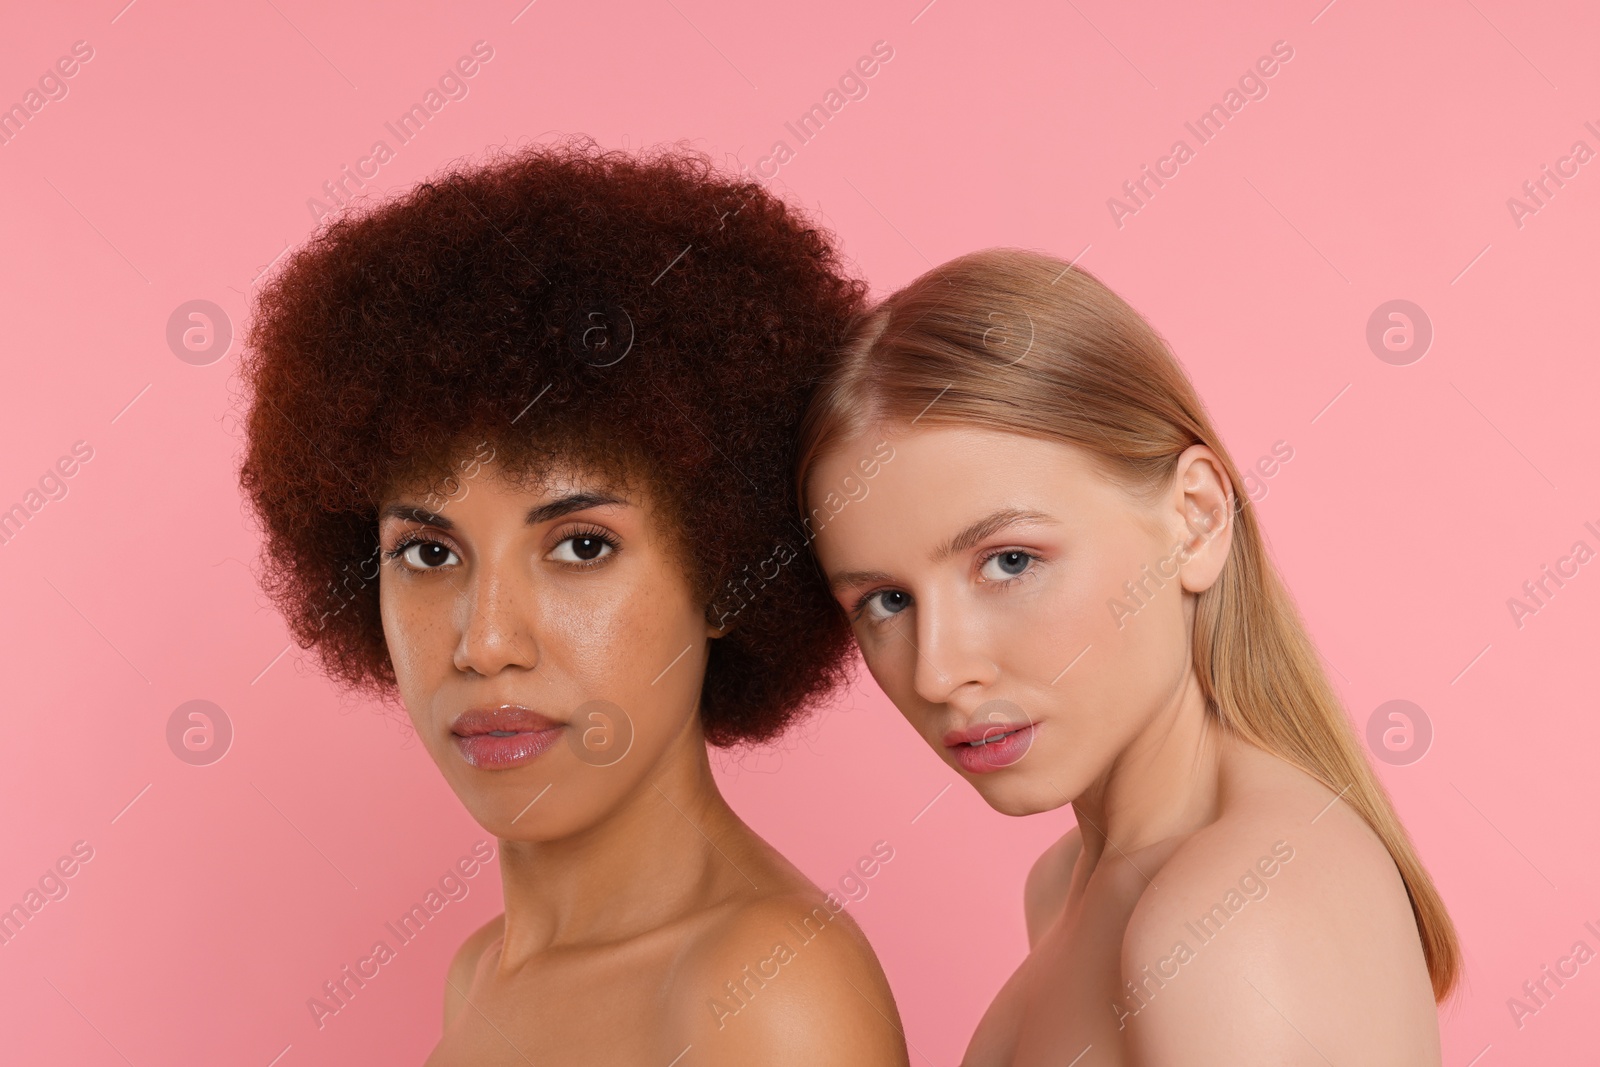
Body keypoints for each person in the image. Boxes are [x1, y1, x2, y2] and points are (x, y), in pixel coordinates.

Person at [238, 139, 909, 1066]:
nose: (484, 640)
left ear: (726, 570)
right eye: (428, 551)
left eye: (581, 546)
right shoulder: (481, 976)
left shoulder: (764, 993)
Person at [797, 247, 1460, 1065]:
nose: (938, 671)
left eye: (1009, 561)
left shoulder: (1227, 923)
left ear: (1195, 518)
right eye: (886, 602)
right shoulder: (1068, 883)